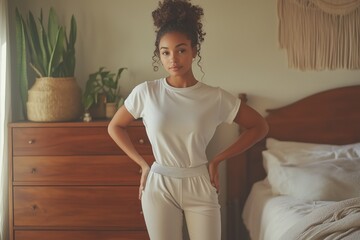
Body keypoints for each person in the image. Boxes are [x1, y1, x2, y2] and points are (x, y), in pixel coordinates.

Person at [107, 0, 269, 239]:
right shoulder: (147, 92)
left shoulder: (214, 97)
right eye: (165, 52)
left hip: (200, 183)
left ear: (194, 50)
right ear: (159, 55)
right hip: (159, 184)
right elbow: (115, 127)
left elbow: (259, 126)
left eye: (181, 49)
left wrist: (217, 160)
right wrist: (143, 165)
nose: (173, 58)